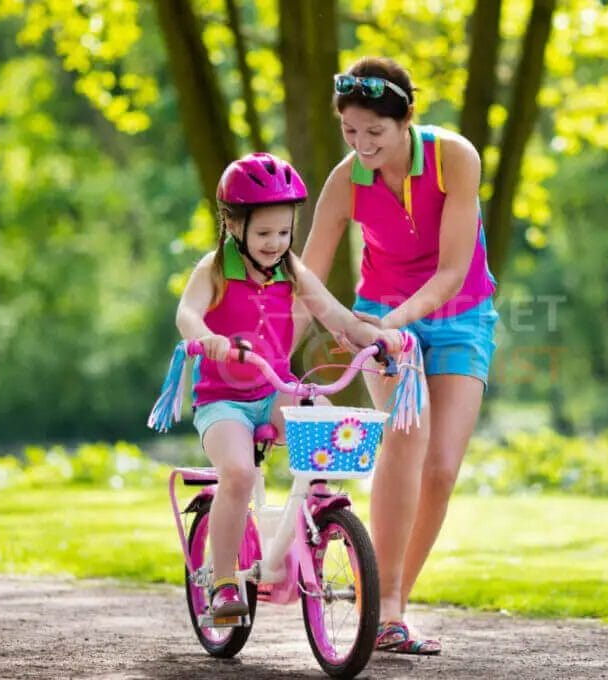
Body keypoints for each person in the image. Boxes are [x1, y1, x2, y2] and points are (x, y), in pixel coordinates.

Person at [302, 57, 499, 654]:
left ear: (406, 120)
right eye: (350, 133)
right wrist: (339, 322)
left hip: (458, 316)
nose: (362, 145)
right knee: (406, 440)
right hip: (380, 317)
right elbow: (306, 271)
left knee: (441, 468)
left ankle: (394, 601)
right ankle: (384, 610)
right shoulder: (345, 180)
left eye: (375, 133)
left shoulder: (455, 158)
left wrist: (388, 323)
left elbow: (449, 273)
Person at [174, 152, 403, 621]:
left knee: (319, 414)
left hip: (273, 389)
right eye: (263, 234)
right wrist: (208, 340)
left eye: (283, 232)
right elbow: (187, 314)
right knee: (237, 474)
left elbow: (334, 314)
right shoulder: (213, 269)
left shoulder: (290, 269)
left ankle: (318, 514)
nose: (275, 243)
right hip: (223, 402)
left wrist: (374, 339)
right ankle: (221, 583)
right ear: (232, 224)